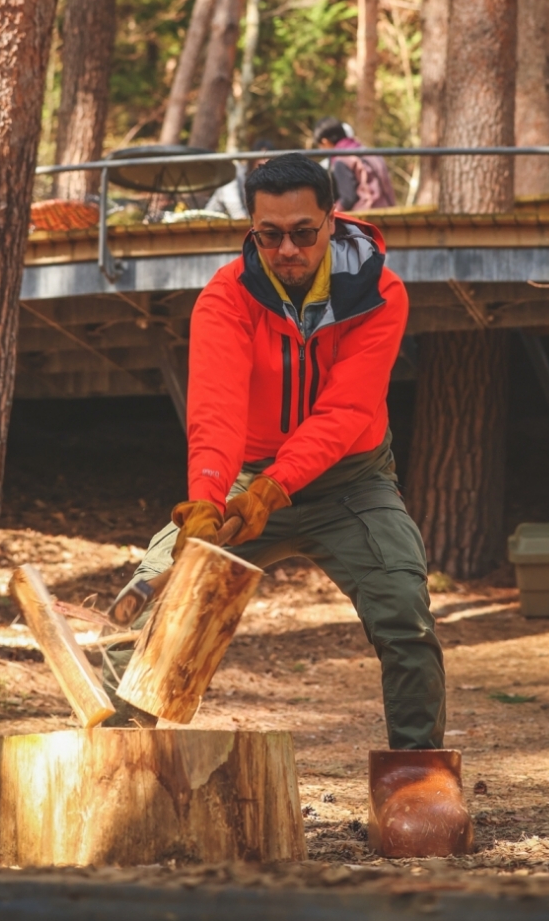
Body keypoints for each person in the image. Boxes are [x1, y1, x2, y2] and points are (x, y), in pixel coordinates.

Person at [113, 152, 445, 749]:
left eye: (303, 233)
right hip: (244, 477)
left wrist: (277, 488)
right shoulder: (225, 297)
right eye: (270, 235)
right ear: (252, 228)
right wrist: (206, 501)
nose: (287, 249)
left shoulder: (380, 293)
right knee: (141, 608)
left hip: (351, 481)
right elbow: (216, 412)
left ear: (331, 220)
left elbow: (345, 412)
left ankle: (417, 773)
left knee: (405, 614)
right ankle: (114, 763)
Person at [313, 117, 396, 211]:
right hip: (388, 207)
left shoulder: (341, 160)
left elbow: (348, 199)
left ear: (325, 142)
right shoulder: (372, 153)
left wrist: (331, 212)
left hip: (367, 212)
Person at [202, 139, 275, 218]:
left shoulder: (266, 184)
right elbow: (237, 213)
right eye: (262, 158)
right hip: (211, 222)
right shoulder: (234, 174)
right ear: (253, 159)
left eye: (269, 159)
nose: (265, 162)